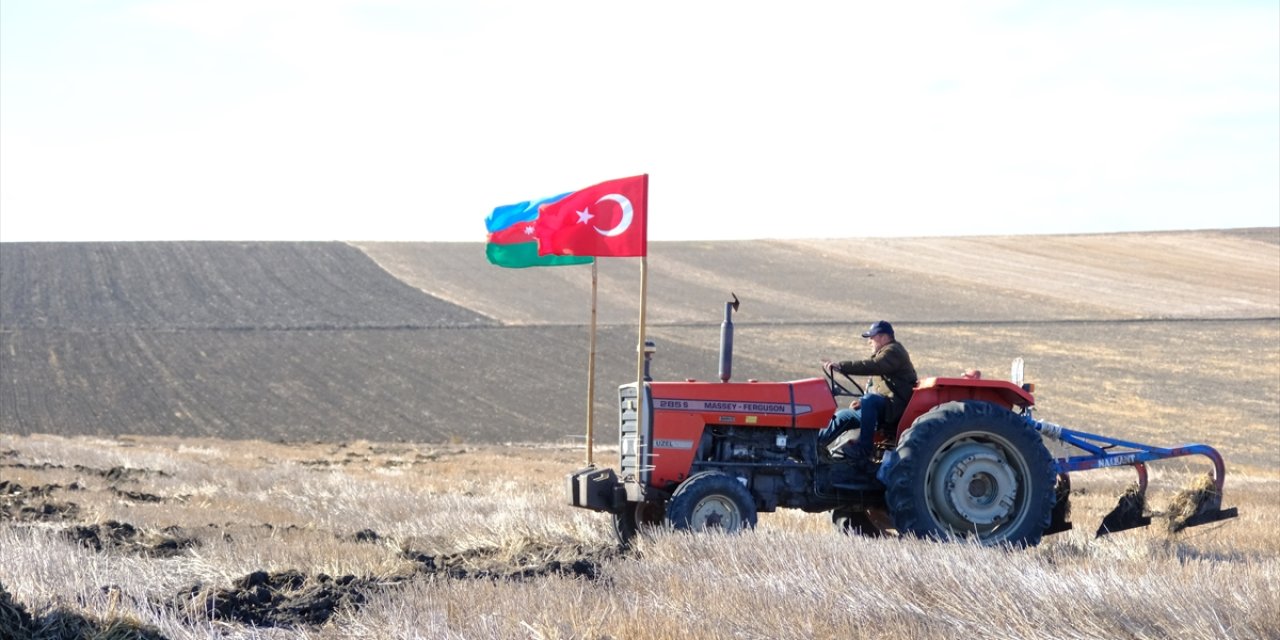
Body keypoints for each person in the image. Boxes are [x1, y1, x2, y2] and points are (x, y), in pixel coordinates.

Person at [819, 320, 919, 463]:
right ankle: (814, 444)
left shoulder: (894, 352)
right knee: (843, 415)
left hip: (895, 408)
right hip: (883, 405)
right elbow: (878, 386)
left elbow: (874, 366)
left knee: (869, 401)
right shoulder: (884, 354)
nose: (869, 342)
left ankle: (864, 449)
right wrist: (861, 402)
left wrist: (842, 366)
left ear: (884, 337)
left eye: (872, 337)